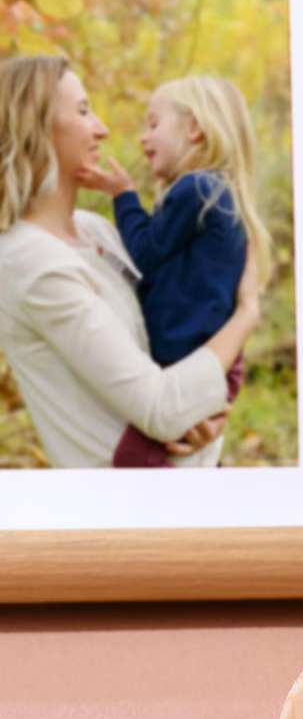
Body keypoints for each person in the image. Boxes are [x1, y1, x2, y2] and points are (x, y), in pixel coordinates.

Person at [0, 56, 258, 469]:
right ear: (36, 126)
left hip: (188, 481)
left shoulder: (96, 231)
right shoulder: (29, 262)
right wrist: (247, 315)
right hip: (125, 499)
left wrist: (205, 416)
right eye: (83, 111)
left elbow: (175, 362)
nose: (102, 129)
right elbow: (162, 410)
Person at [83, 74, 271, 468]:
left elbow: (144, 255)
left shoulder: (195, 189)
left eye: (154, 124)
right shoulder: (215, 194)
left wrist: (123, 195)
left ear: (195, 128)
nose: (143, 138)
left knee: (136, 458)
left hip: (192, 362)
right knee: (180, 456)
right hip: (213, 360)